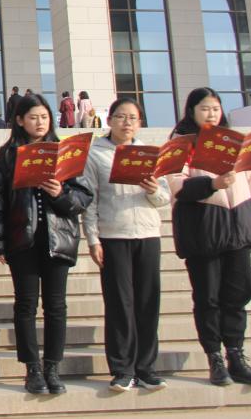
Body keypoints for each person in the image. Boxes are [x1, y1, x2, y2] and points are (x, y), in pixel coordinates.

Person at [0, 94, 92, 395]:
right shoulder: (8, 154)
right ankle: (32, 368)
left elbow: (83, 197)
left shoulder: (66, 151)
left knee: (56, 306)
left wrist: (60, 193)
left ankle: (52, 367)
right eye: (33, 117)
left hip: (59, 238)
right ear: (20, 120)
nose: (39, 122)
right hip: (23, 240)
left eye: (44, 117)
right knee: (26, 305)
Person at [168, 87, 251, 386]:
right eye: (204, 108)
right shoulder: (181, 143)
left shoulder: (235, 141)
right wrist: (213, 184)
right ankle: (215, 358)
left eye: (215, 108)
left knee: (237, 295)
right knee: (208, 298)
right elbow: (177, 186)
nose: (211, 114)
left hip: (238, 227)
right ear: (191, 111)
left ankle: (236, 356)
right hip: (203, 230)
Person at [80, 97, 170, 392]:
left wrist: (153, 190)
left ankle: (146, 368)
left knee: (148, 302)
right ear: (109, 120)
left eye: (133, 117)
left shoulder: (150, 154)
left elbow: (164, 198)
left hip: (147, 234)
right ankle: (122, 369)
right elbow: (89, 200)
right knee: (119, 303)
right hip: (113, 235)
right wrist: (92, 239)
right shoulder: (95, 154)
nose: (127, 122)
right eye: (121, 116)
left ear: (140, 123)